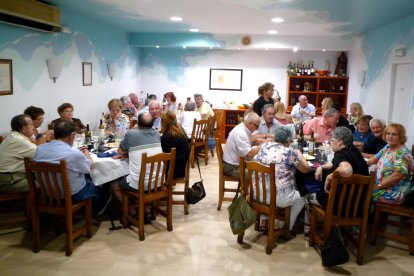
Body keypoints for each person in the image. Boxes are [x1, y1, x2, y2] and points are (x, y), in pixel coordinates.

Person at [34, 121, 109, 214]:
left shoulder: (40, 148)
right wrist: (86, 154)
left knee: (84, 177)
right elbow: (89, 168)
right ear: (71, 136)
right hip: (72, 194)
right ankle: (100, 208)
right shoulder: (73, 153)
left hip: (48, 192)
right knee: (100, 184)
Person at [254, 126, 310, 236]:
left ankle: (265, 221)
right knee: (302, 198)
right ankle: (286, 228)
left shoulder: (264, 147)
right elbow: (306, 169)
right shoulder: (290, 153)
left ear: (275, 137)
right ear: (289, 140)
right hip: (277, 198)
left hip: (257, 193)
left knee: (272, 184)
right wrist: (298, 152)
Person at [111, 113, 162, 217]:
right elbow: (146, 148)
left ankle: (133, 211)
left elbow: (120, 151)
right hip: (158, 182)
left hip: (140, 184)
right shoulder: (157, 134)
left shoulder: (131, 134)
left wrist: (125, 153)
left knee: (115, 185)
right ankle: (146, 208)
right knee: (137, 176)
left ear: (138, 123)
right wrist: (129, 152)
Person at [367, 123, 413, 205]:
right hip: (382, 187)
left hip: (395, 192)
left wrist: (378, 186)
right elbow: (374, 159)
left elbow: (397, 176)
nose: (390, 136)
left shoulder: (402, 153)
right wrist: (359, 164)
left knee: (363, 194)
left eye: (394, 134)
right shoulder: (388, 147)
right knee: (360, 190)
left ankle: (366, 217)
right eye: (388, 133)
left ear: (401, 137)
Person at [0, 115, 37, 192]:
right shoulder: (20, 141)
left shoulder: (12, 135)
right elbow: (42, 155)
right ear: (23, 129)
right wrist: (45, 136)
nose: (34, 127)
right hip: (8, 180)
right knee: (47, 183)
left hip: (9, 176)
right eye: (31, 124)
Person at [222, 112, 263, 179]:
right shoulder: (240, 133)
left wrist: (256, 142)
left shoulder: (244, 129)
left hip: (237, 164)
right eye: (257, 126)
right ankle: (249, 189)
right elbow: (249, 154)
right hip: (231, 167)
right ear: (250, 124)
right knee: (259, 175)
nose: (257, 129)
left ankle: (251, 189)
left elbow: (246, 143)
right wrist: (263, 145)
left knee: (260, 167)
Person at [160, 110, 190, 179]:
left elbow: (165, 156)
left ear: (164, 123)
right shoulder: (181, 130)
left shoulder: (167, 138)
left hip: (174, 171)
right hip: (182, 167)